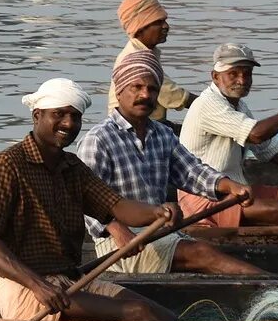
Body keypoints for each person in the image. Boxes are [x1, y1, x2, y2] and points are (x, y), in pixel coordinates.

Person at [0, 78, 182, 321]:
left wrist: (157, 212)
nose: (69, 124)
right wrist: (38, 285)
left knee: (157, 312)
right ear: (37, 116)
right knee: (138, 314)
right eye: (59, 114)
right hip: (25, 288)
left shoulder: (72, 167)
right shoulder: (5, 166)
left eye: (75, 116)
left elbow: (117, 206)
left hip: (69, 280)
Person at [76, 52, 263, 275]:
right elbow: (83, 200)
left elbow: (192, 172)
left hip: (161, 232)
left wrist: (229, 186)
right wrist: (118, 230)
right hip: (119, 246)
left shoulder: (162, 134)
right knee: (201, 254)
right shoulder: (98, 139)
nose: (145, 95)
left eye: (152, 89)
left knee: (211, 252)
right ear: (120, 91)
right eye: (136, 87)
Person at [177, 43, 278, 227]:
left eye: (247, 74)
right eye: (234, 74)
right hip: (204, 195)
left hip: (236, 190)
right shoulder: (207, 104)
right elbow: (256, 135)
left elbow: (268, 150)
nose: (242, 80)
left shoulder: (239, 106)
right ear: (215, 77)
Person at [113, 0, 189, 122]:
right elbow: (174, 96)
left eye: (165, 21)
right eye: (158, 22)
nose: (166, 26)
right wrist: (208, 105)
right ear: (140, 28)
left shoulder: (147, 52)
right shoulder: (136, 58)